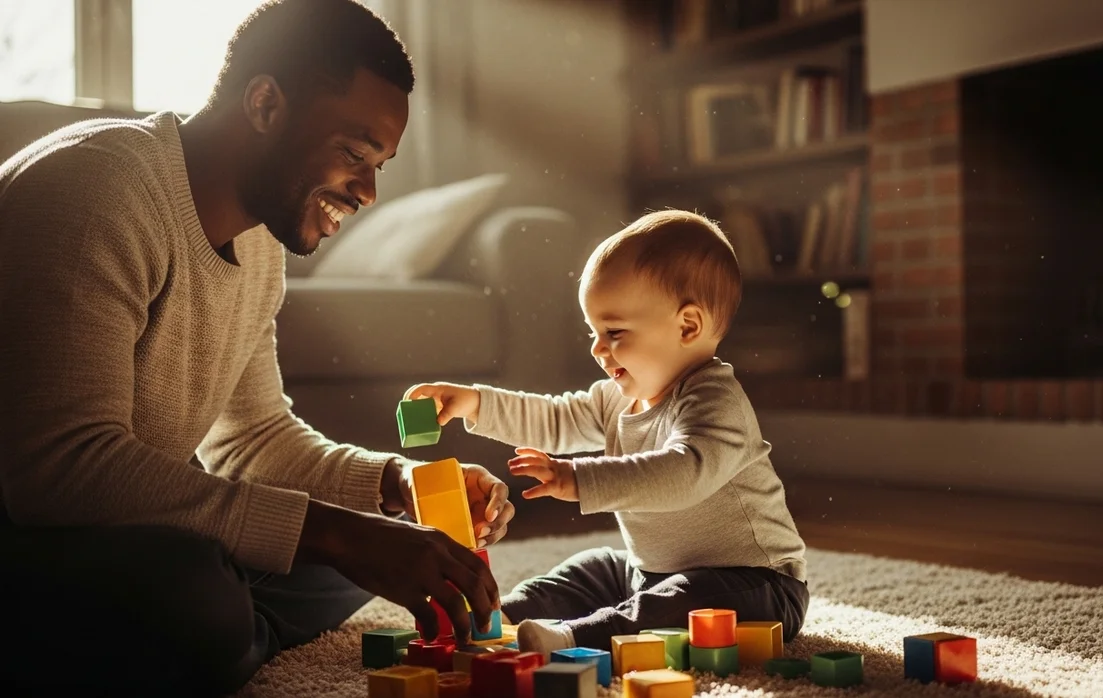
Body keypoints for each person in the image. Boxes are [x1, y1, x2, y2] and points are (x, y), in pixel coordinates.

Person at [0, 1, 514, 695]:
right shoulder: (95, 191)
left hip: (100, 539)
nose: (367, 192)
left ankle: (223, 628)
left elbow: (253, 440)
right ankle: (221, 627)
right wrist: (340, 536)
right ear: (266, 103)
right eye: (354, 153)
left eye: (379, 165)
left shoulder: (261, 242)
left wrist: (398, 487)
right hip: (25, 531)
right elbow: (60, 471)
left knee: (361, 548)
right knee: (202, 590)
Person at [404, 209, 809, 656]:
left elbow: (684, 474)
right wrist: (475, 403)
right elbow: (555, 418)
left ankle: (575, 637)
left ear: (688, 326)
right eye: (593, 332)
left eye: (614, 331)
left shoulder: (714, 401)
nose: (598, 349)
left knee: (685, 599)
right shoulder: (615, 398)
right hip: (649, 572)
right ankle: (499, 616)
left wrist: (580, 478)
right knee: (591, 567)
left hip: (757, 586)